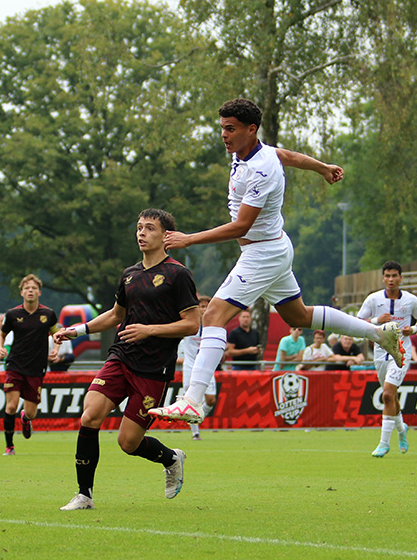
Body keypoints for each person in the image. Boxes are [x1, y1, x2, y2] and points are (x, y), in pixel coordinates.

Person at [149, 98, 403, 424]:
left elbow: (241, 226)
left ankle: (193, 400)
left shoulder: (261, 169)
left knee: (212, 315)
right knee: (299, 314)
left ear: (250, 130)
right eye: (222, 128)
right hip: (274, 247)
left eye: (231, 129)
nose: (224, 135)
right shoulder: (256, 151)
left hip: (262, 253)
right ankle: (379, 334)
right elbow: (290, 156)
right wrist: (323, 167)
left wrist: (189, 239)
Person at [54, 208, 199, 511]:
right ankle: (84, 494)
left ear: (165, 236)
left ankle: (172, 458)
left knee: (128, 443)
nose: (141, 233)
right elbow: (116, 315)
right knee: (90, 414)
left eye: (149, 228)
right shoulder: (130, 274)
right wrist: (78, 330)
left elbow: (192, 324)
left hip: (154, 368)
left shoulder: (178, 275)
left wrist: (150, 330)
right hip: (121, 356)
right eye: (139, 228)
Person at [357, 260, 417, 457]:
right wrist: (376, 321)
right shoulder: (373, 299)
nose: (390, 279)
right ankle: (402, 429)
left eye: (394, 276)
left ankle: (383, 444)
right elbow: (358, 321)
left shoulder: (411, 300)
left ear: (401, 278)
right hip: (380, 354)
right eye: (387, 276)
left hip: (401, 354)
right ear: (383, 278)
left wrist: (412, 329)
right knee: (392, 397)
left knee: (387, 394)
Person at [0, 274, 60, 456]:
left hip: (37, 367)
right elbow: (1, 334)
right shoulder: (13, 314)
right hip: (15, 364)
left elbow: (56, 334)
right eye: (27, 288)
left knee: (31, 413)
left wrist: (55, 348)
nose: (30, 291)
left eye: (33, 288)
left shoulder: (48, 314)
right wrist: (0, 348)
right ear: (22, 292)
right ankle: (9, 447)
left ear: (39, 292)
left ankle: (25, 419)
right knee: (11, 406)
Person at [176, 295, 215, 440]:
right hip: (190, 367)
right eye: (202, 306)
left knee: (210, 400)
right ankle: (195, 433)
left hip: (207, 367)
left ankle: (197, 419)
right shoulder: (189, 325)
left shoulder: (212, 326)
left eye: (206, 306)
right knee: (192, 400)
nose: (204, 310)